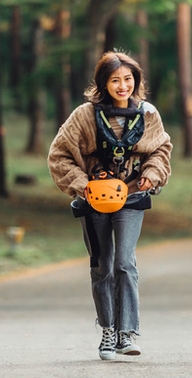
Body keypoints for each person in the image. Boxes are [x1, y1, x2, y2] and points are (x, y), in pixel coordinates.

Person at [47, 51, 172, 361]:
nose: (122, 86)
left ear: (137, 81)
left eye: (128, 79)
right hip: (94, 199)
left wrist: (151, 175)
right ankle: (107, 330)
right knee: (103, 264)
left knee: (125, 262)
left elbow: (160, 150)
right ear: (103, 82)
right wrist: (83, 185)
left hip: (130, 196)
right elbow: (58, 155)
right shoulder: (84, 116)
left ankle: (126, 332)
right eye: (115, 80)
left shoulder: (148, 115)